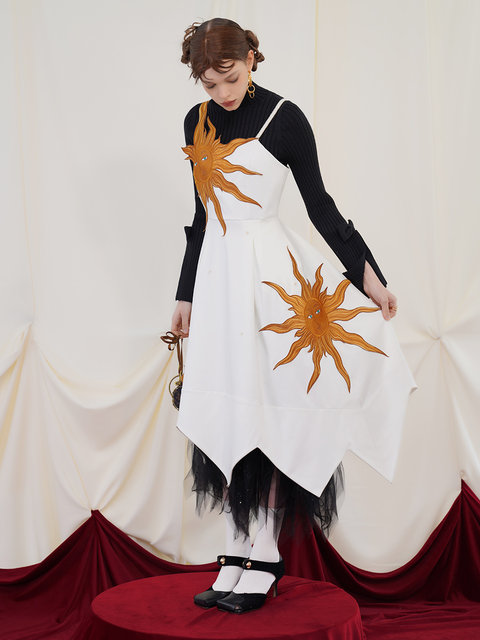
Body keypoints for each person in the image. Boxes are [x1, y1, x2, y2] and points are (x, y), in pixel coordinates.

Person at [171, 17, 416, 614]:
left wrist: (370, 277)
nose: (222, 93)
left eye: (229, 77)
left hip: (269, 282)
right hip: (218, 284)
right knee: (227, 404)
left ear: (251, 58)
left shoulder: (285, 119)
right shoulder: (195, 121)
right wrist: (184, 294)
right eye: (209, 84)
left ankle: (266, 551)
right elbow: (202, 218)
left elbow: (320, 207)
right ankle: (235, 547)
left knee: (272, 408)